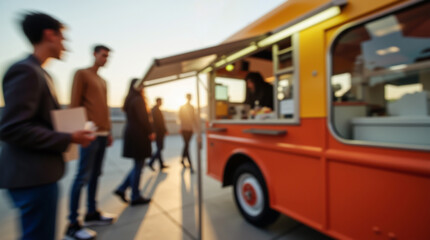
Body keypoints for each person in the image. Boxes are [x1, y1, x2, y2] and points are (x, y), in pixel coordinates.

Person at [0, 12, 95, 240]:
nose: (65, 45)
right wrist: (69, 138)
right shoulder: (26, 71)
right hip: (33, 178)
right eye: (63, 38)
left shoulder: (39, 72)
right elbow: (12, 127)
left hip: (37, 176)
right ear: (49, 35)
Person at [66, 45, 114, 239]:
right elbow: (74, 104)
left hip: (103, 134)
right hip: (90, 134)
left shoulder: (103, 81)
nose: (105, 59)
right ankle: (72, 224)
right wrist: (77, 132)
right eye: (103, 55)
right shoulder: (82, 74)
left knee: (96, 175)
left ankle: (92, 213)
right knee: (82, 177)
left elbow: (105, 108)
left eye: (107, 56)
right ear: (94, 54)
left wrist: (109, 131)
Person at [113, 79, 153, 205]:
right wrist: (150, 132)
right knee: (138, 166)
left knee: (138, 165)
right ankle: (135, 195)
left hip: (132, 134)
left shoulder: (130, 99)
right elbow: (144, 119)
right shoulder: (139, 100)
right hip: (139, 136)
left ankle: (122, 188)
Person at [148, 97, 168, 171]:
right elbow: (159, 123)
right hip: (159, 132)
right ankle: (151, 162)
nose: (162, 103)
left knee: (159, 148)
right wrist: (164, 130)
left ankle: (161, 164)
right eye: (161, 101)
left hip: (157, 132)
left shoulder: (154, 109)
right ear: (158, 102)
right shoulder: (156, 110)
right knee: (160, 148)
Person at [178, 93, 197, 173]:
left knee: (186, 145)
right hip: (184, 129)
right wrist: (181, 128)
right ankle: (191, 165)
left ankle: (182, 159)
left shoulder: (192, 107)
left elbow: (193, 118)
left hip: (190, 130)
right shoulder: (182, 107)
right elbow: (180, 118)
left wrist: (195, 128)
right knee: (187, 145)